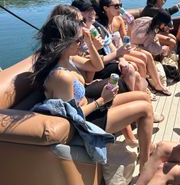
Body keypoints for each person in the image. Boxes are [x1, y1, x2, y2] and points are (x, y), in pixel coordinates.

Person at [31, 14, 154, 170]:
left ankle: (146, 148)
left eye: (82, 38)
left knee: (143, 97)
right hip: (85, 121)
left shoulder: (68, 59)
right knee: (145, 109)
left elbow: (97, 66)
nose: (81, 43)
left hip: (90, 106)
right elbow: (72, 118)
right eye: (78, 40)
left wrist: (90, 42)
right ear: (62, 43)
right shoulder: (61, 76)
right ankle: (145, 164)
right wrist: (102, 100)